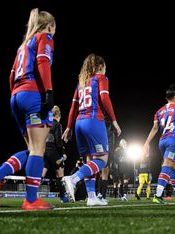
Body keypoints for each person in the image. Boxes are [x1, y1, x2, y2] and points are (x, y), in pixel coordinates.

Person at [0, 8, 56, 210]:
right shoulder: (45, 37)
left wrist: (17, 95)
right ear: (50, 26)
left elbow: (11, 75)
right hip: (33, 95)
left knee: (32, 149)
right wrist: (48, 91)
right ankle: (31, 200)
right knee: (39, 149)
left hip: (16, 96)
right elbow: (42, 62)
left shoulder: (22, 46)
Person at [62, 53, 122, 206]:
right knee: (102, 160)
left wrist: (68, 127)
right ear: (99, 67)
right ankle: (73, 179)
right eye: (104, 68)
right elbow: (104, 98)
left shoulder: (80, 83)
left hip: (79, 123)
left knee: (90, 161)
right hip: (93, 121)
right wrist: (114, 121)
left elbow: (73, 107)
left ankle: (91, 197)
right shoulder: (101, 78)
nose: (105, 72)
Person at [42, 105, 69, 203]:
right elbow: (58, 142)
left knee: (42, 174)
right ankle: (63, 197)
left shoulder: (46, 124)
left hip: (45, 151)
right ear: (58, 115)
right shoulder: (57, 125)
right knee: (60, 175)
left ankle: (30, 194)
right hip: (54, 153)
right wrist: (63, 154)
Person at [97, 114, 117, 203]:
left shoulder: (98, 127)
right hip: (106, 153)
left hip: (98, 152)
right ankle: (103, 197)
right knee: (104, 175)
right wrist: (111, 158)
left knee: (100, 175)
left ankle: (98, 194)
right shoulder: (111, 131)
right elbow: (111, 147)